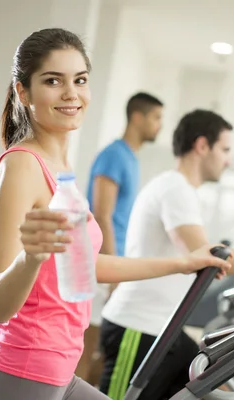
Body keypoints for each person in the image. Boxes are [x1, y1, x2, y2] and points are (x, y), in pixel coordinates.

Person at [0, 29, 232, 400]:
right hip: (22, 376)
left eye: (80, 80)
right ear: (23, 92)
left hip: (59, 375)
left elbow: (88, 266)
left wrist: (184, 263)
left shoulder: (61, 167)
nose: (71, 93)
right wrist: (31, 257)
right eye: (53, 80)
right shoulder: (23, 166)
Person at [98, 109, 234, 400]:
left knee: (219, 392)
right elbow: (210, 257)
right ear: (202, 146)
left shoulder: (180, 190)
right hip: (138, 328)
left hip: (165, 332)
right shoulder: (174, 188)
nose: (229, 160)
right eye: (225, 149)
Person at [77, 92, 164, 384]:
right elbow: (102, 214)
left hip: (113, 261)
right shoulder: (115, 154)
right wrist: (114, 271)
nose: (159, 125)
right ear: (137, 117)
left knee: (101, 350)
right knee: (86, 348)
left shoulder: (130, 158)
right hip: (100, 262)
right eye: (156, 117)